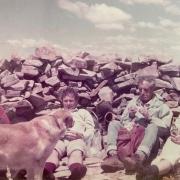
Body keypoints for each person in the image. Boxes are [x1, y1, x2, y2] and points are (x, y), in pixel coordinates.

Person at [101, 76, 172, 172]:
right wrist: (130, 115)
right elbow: (123, 121)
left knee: (152, 126)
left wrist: (150, 117)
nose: (142, 93)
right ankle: (114, 156)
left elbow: (166, 127)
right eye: (140, 89)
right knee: (114, 124)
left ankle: (138, 158)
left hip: (146, 138)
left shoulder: (162, 106)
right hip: (131, 134)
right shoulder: (133, 102)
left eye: (146, 90)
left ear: (152, 90)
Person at [43, 87, 95, 180]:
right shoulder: (55, 113)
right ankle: (46, 172)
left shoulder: (83, 113)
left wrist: (81, 135)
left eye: (71, 101)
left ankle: (75, 172)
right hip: (59, 139)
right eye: (65, 101)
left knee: (76, 151)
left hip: (76, 139)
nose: (68, 103)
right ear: (62, 101)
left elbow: (91, 130)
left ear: (76, 101)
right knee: (53, 152)